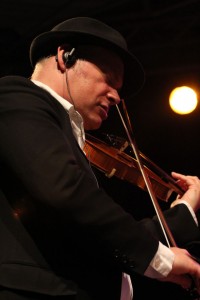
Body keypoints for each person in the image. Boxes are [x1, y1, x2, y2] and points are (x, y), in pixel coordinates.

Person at [0, 16, 199, 300]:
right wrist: (160, 258)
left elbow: (99, 235)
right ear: (64, 56)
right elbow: (66, 192)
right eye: (109, 79)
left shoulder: (69, 139)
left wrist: (183, 212)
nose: (117, 97)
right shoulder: (15, 95)